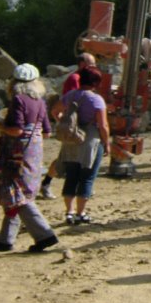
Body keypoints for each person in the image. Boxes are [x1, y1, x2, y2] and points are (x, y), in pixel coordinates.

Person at [0, 63, 59, 252]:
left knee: (15, 193)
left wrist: (3, 128)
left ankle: (45, 235)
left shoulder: (18, 100)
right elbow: (46, 132)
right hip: (35, 151)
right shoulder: (40, 101)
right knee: (19, 192)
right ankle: (5, 240)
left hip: (18, 152)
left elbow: (17, 129)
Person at [52, 66, 110, 224]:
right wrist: (107, 143)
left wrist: (66, 124)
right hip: (90, 140)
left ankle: (69, 213)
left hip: (71, 139)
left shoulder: (70, 95)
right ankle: (80, 213)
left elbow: (55, 111)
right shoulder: (96, 100)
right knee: (87, 178)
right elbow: (103, 125)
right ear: (96, 82)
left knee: (71, 176)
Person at [40, 52, 97, 200]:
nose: (94, 67)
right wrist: (64, 123)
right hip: (75, 127)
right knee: (64, 159)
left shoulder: (85, 79)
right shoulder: (75, 79)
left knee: (81, 159)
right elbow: (69, 102)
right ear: (82, 64)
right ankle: (46, 184)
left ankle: (83, 188)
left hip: (81, 127)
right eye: (91, 64)